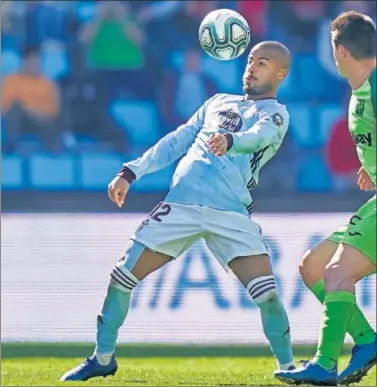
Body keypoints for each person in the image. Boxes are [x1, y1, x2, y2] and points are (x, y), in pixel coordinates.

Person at [60, 41, 294, 382]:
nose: (252, 67)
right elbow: (177, 139)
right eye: (250, 61)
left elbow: (258, 137)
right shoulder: (217, 102)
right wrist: (131, 171)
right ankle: (103, 357)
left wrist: (231, 141)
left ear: (281, 73)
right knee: (122, 275)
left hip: (230, 213)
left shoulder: (275, 114)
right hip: (181, 203)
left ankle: (288, 368)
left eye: (263, 62)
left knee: (267, 295)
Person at [275, 11, 376, 386]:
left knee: (336, 273)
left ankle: (325, 364)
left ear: (341, 51)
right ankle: (366, 341)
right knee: (313, 267)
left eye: (332, 46)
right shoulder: (361, 91)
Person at [2, 45, 62, 153]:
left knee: (52, 122)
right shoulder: (11, 80)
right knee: (15, 108)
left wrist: (40, 114)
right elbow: (5, 106)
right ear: (24, 62)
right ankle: (11, 146)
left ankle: (56, 153)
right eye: (33, 62)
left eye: (38, 62)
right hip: (21, 120)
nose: (36, 65)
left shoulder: (47, 82)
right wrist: (29, 111)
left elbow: (54, 108)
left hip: (42, 121)